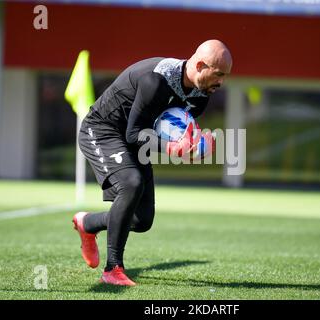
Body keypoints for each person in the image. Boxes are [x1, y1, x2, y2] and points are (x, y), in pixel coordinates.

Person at [72, 39, 233, 286]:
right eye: (218, 74)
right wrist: (172, 148)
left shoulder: (201, 94)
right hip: (103, 129)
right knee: (132, 184)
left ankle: (87, 223)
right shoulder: (155, 79)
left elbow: (170, 129)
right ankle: (112, 269)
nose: (221, 82)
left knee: (141, 220)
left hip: (136, 136)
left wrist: (197, 145)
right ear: (200, 65)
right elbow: (133, 133)